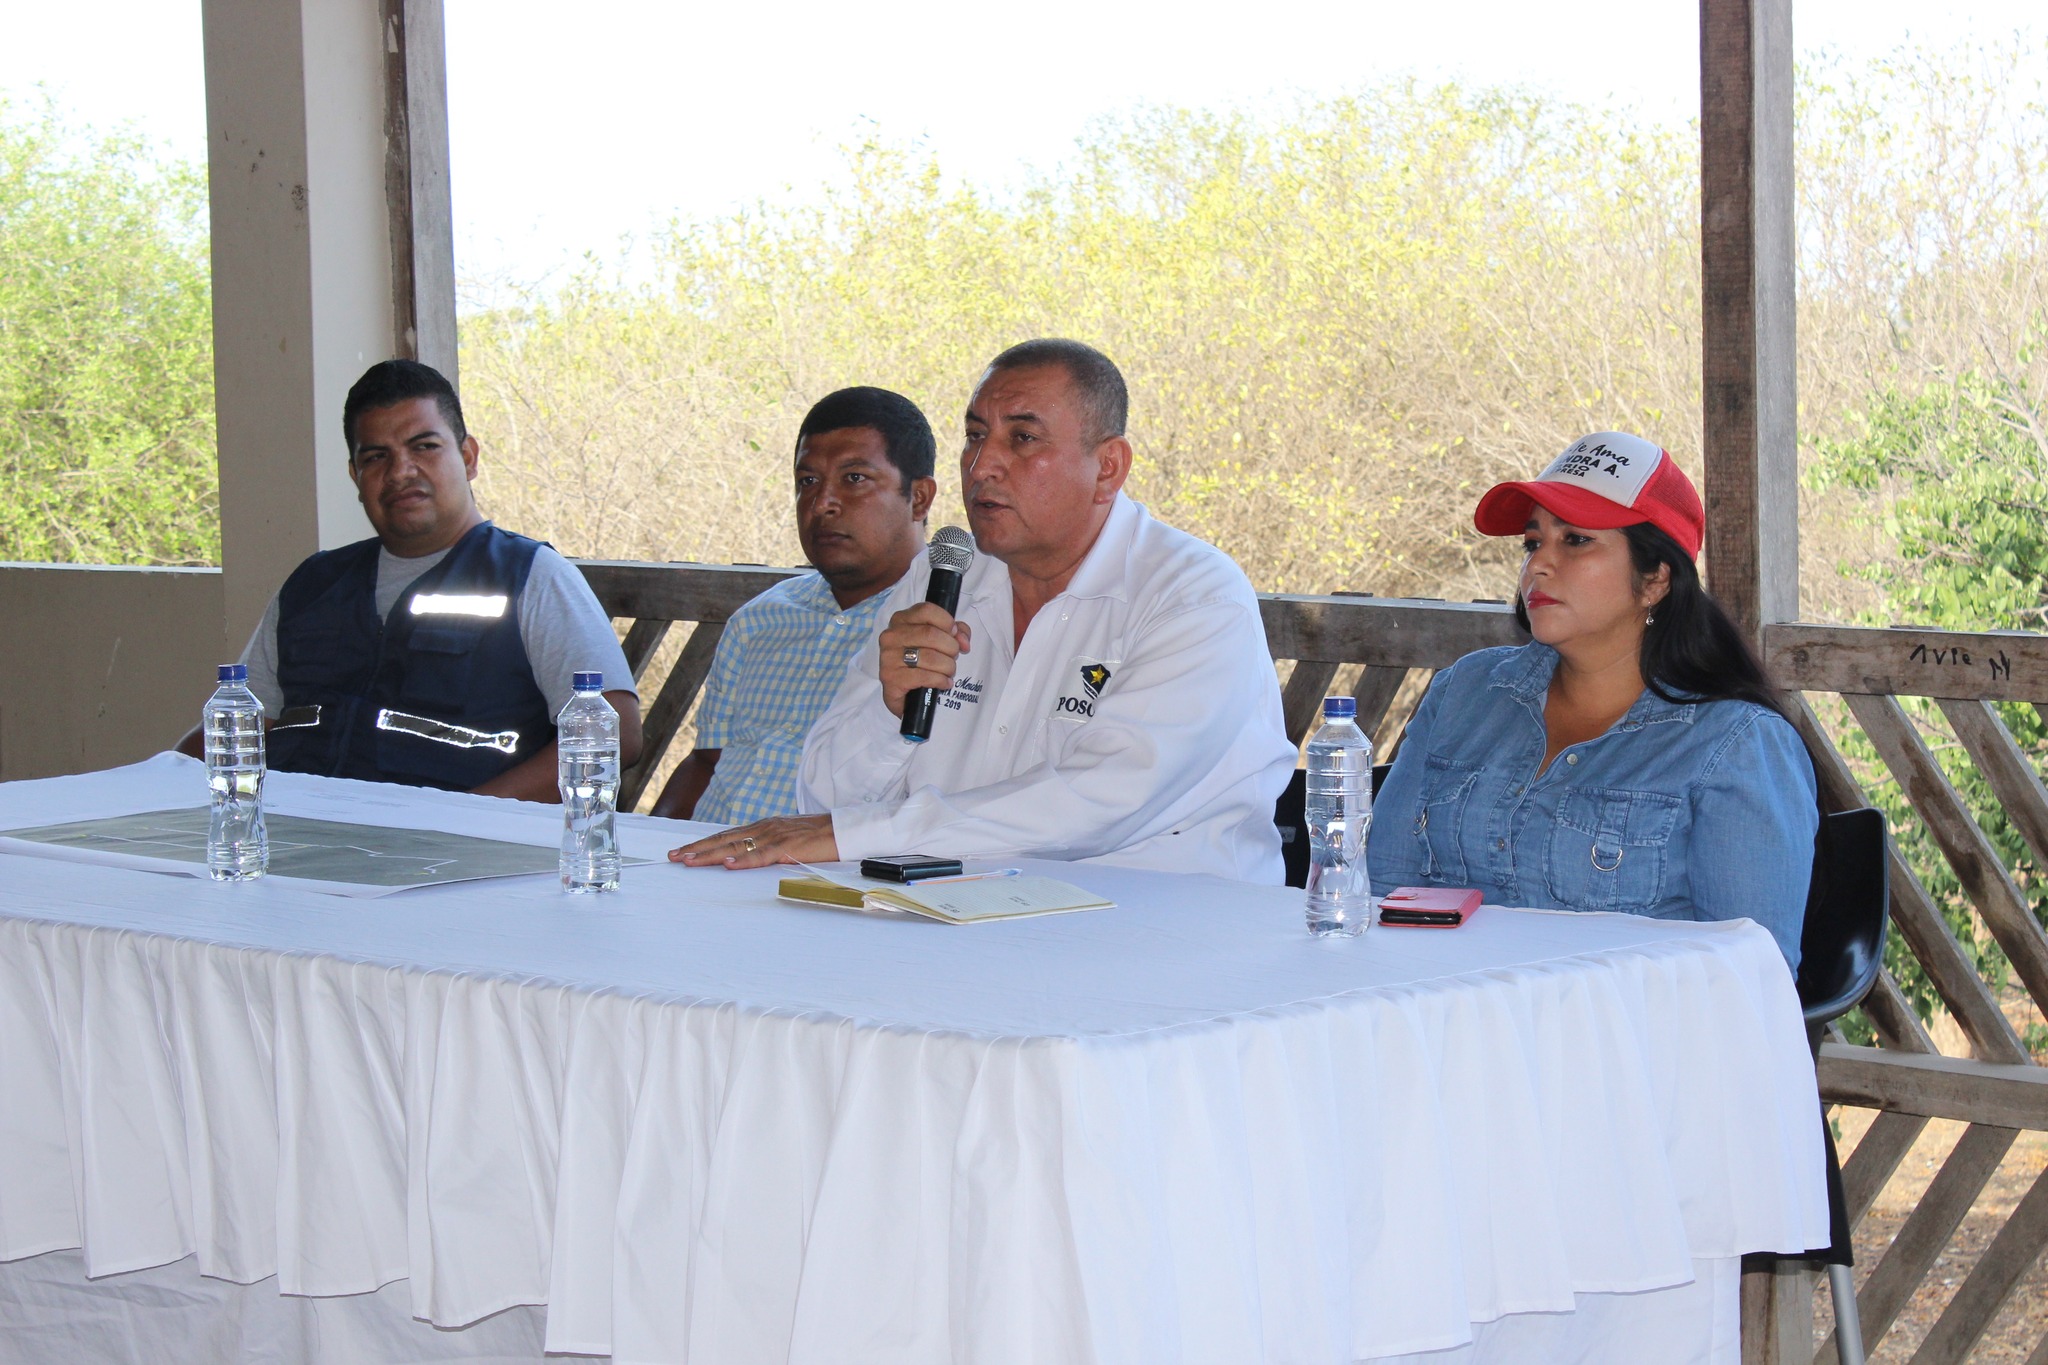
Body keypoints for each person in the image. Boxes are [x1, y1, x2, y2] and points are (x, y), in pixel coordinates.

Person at [670, 338, 1295, 882]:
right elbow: (825, 795)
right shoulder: (943, 575)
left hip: (1160, 930)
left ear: (1108, 468)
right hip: (959, 910)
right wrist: (890, 711)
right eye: (974, 436)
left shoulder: (1192, 596)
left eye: (1022, 438)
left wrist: (859, 835)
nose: (980, 465)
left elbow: (1099, 802)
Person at [1369, 431, 1816, 969]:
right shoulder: (1465, 691)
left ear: (1654, 580)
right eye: (1533, 543)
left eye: (1576, 540)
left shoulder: (1737, 744)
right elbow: (1382, 889)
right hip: (1434, 1008)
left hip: (1622, 1023)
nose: (1539, 565)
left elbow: (1750, 975)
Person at [177, 360, 641, 801]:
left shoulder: (531, 576)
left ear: (468, 457)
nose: (400, 472)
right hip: (294, 829)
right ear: (356, 476)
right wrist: (159, 782)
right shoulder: (312, 585)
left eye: (424, 447)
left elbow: (614, 733)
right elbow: (241, 724)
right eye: (376, 457)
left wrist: (468, 817)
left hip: (455, 840)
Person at [650, 387, 938, 823]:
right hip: (703, 851)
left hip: (829, 862)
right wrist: (645, 846)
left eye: (854, 479)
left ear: (918, 498)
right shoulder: (759, 619)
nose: (822, 504)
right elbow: (708, 763)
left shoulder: (941, 627)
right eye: (807, 482)